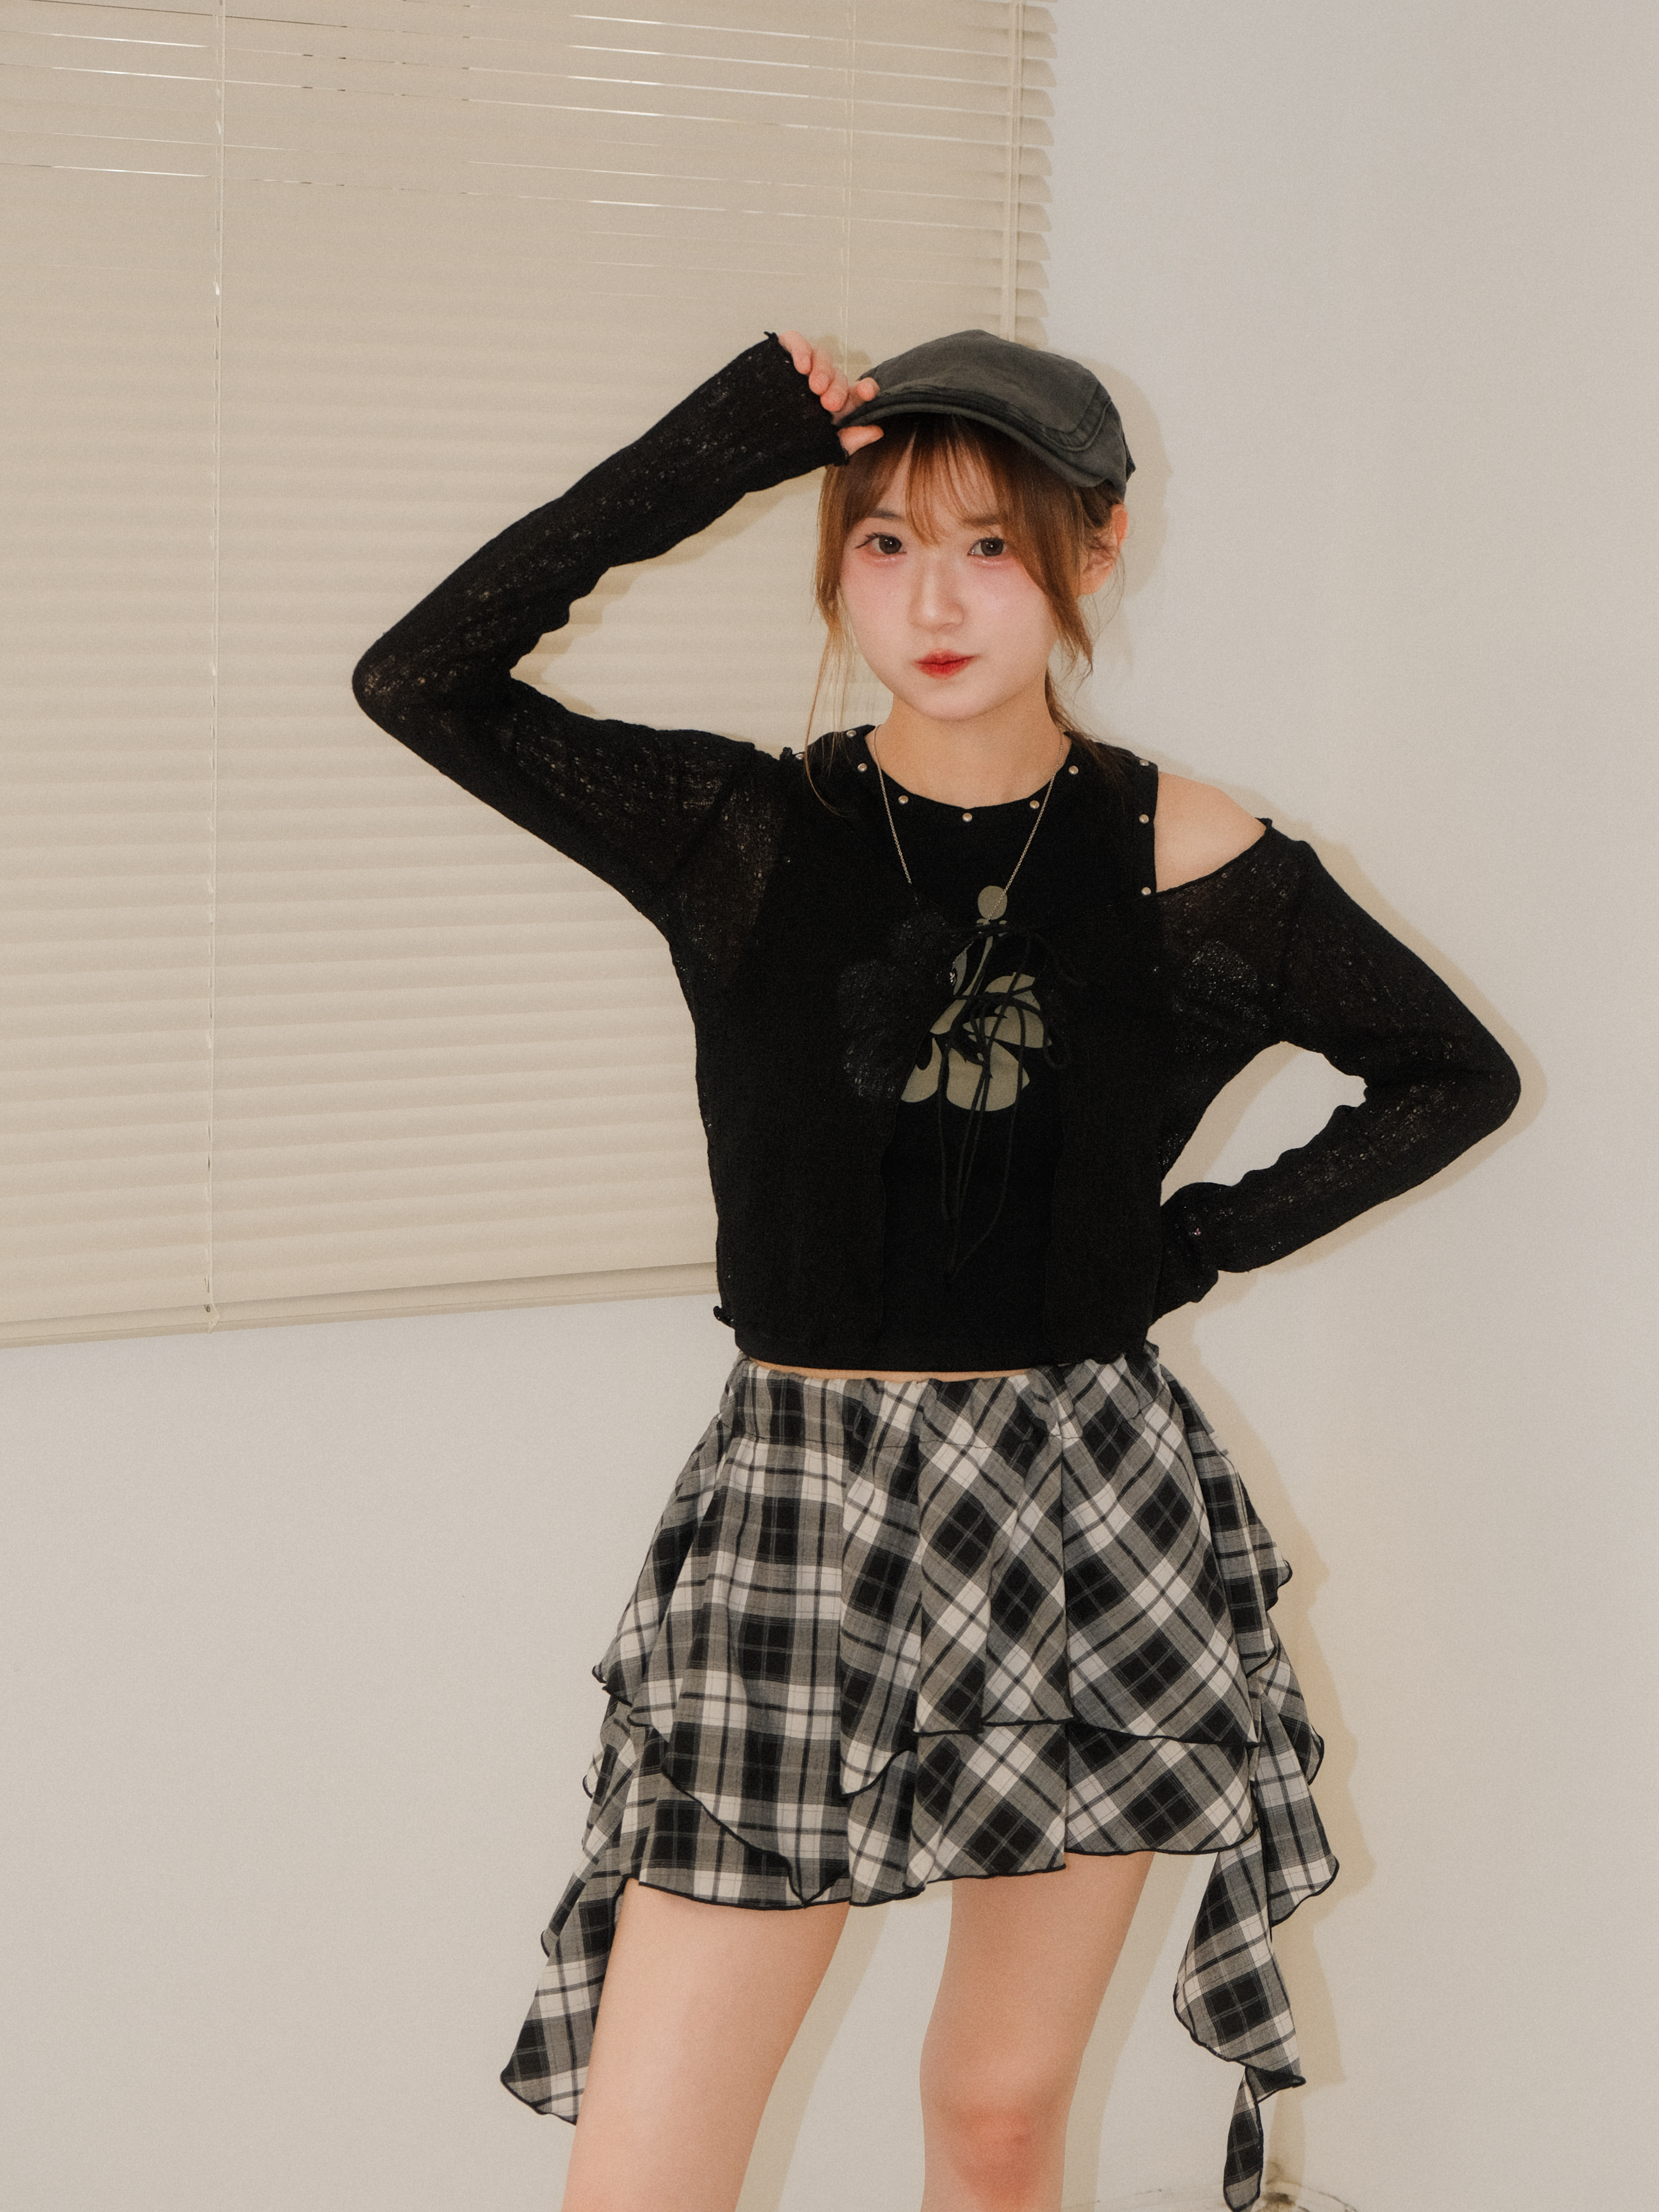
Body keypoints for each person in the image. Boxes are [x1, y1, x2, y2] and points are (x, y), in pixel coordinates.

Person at [351, 326, 1520, 2212]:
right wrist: (730, 439)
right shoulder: (744, 834)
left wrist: (1190, 1246)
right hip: (803, 1503)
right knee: (646, 2168)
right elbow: (418, 677)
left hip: (1083, 1506)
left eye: (991, 545)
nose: (936, 599)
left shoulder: (1187, 857)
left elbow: (1451, 1073)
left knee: (995, 2116)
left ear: (1095, 550)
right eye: (885, 542)